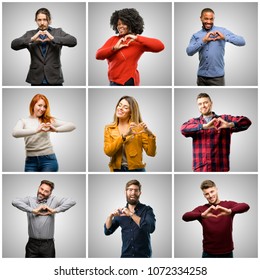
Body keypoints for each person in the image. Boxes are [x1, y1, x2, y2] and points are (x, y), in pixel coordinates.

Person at [181, 93, 251, 172]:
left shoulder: (224, 119)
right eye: (200, 104)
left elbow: (247, 121)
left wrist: (229, 124)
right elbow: (183, 129)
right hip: (201, 169)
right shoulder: (195, 122)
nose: (203, 105)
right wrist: (204, 126)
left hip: (221, 168)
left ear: (211, 103)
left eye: (205, 102)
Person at [96, 8, 165, 86]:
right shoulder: (113, 39)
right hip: (113, 82)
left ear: (131, 24)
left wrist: (136, 37)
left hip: (128, 82)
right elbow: (98, 55)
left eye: (123, 24)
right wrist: (114, 48)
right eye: (118, 24)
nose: (120, 26)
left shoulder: (138, 42)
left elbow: (160, 46)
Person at [182, 180, 249, 258]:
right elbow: (185, 217)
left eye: (212, 191)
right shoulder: (202, 209)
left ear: (217, 189)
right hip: (208, 253)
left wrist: (230, 211)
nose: (210, 196)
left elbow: (246, 206)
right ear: (204, 195)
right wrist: (202, 215)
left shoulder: (228, 205)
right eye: (207, 194)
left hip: (227, 252)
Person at [11, 7, 77, 86]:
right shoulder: (30, 34)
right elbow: (14, 45)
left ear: (49, 20)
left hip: (55, 78)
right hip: (36, 78)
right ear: (36, 20)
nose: (42, 23)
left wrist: (53, 38)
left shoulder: (58, 32)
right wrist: (31, 39)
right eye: (39, 20)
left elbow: (73, 41)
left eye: (45, 19)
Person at [12, 180, 76, 258]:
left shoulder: (54, 200)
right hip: (32, 244)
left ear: (50, 193)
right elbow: (14, 201)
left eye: (46, 191)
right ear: (38, 187)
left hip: (48, 245)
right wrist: (33, 210)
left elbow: (72, 201)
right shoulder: (29, 200)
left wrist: (54, 210)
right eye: (41, 189)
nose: (42, 192)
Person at [12, 93, 76, 172]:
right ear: (33, 104)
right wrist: (36, 130)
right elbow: (15, 133)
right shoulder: (23, 121)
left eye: (45, 106)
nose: (42, 109)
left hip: (48, 160)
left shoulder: (48, 120)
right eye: (40, 105)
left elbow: (72, 126)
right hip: (30, 161)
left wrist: (55, 130)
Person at [186, 8, 245, 86]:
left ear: (214, 19)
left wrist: (224, 37)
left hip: (217, 78)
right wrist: (203, 40)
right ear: (201, 18)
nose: (209, 22)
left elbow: (242, 42)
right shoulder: (196, 35)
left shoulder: (222, 31)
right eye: (206, 19)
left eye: (211, 19)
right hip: (201, 78)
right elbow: (189, 52)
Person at [104, 179, 156, 258]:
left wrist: (131, 214)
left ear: (140, 193)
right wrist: (110, 216)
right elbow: (107, 231)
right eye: (130, 190)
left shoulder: (147, 210)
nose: (133, 193)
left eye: (136, 190)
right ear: (125, 192)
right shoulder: (120, 213)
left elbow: (150, 228)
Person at [104, 96, 156, 172]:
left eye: (125, 107)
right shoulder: (109, 128)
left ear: (131, 112)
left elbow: (151, 153)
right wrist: (124, 136)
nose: (120, 108)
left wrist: (150, 135)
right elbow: (108, 152)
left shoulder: (138, 128)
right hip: (117, 170)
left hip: (137, 169)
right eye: (119, 105)